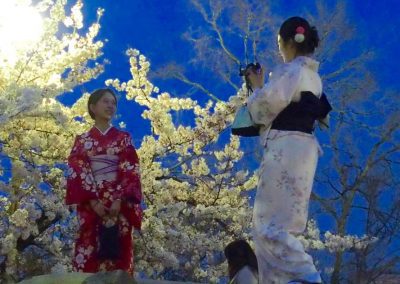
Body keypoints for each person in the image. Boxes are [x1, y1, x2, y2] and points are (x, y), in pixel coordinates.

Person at [246, 16, 332, 283]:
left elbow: (263, 109)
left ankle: (306, 278)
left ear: (286, 42)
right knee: (286, 223)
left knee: (270, 225)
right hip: (304, 149)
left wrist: (257, 87)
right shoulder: (313, 77)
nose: (280, 49)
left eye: (279, 43)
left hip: (287, 147)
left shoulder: (291, 72)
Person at [65, 88, 143, 275]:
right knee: (88, 249)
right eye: (105, 102)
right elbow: (77, 169)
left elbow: (130, 169)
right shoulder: (82, 140)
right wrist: (93, 201)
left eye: (113, 103)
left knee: (119, 254)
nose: (110, 106)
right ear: (93, 107)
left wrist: (118, 200)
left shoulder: (123, 139)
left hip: (119, 204)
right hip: (91, 204)